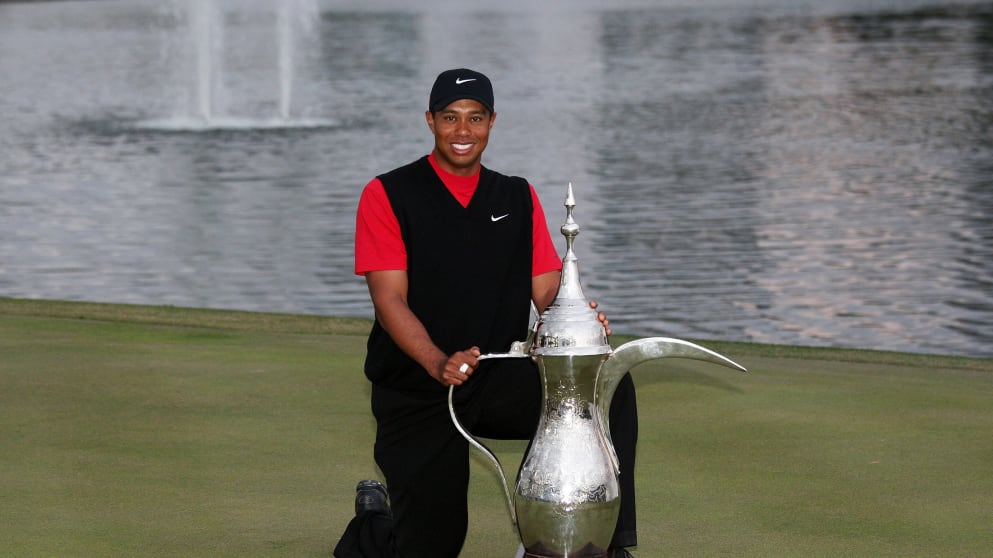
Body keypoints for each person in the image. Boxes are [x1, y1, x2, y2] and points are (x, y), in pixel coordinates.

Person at [334, 68, 638, 558]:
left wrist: (576, 320)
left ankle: (602, 543)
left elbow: (546, 287)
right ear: (430, 120)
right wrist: (437, 362)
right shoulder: (387, 194)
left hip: (498, 374)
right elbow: (389, 299)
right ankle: (373, 519)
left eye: (475, 118)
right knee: (432, 544)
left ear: (492, 122)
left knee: (609, 386)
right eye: (450, 118)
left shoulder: (516, 196)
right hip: (418, 386)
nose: (462, 131)